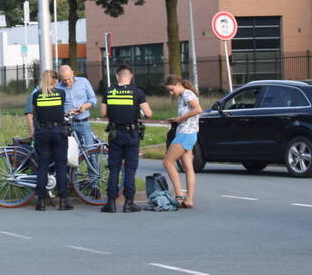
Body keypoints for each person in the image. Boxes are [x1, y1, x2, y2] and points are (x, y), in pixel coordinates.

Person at [99, 64, 152, 213]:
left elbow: (103, 113)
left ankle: (111, 203)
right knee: (130, 169)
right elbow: (148, 113)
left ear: (117, 76)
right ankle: (129, 203)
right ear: (131, 76)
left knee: (114, 169)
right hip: (132, 134)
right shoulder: (137, 92)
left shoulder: (108, 92)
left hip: (115, 134)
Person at [26, 69, 73, 211]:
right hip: (58, 132)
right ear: (54, 80)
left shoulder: (37, 95)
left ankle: (40, 201)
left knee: (42, 167)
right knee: (61, 165)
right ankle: (63, 201)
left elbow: (35, 113)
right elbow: (59, 110)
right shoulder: (61, 94)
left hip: (42, 133)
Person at [163, 75, 203, 209]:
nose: (171, 93)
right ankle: (189, 199)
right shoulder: (183, 96)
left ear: (178, 84)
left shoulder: (187, 94)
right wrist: (177, 119)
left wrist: (180, 119)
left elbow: (198, 109)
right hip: (189, 133)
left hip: (185, 133)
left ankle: (179, 194)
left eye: (171, 89)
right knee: (187, 167)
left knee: (168, 162)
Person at [58, 64, 98, 149]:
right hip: (66, 125)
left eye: (69, 79)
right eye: (64, 80)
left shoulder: (84, 81)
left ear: (72, 73)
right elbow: (56, 107)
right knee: (70, 153)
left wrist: (84, 106)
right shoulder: (57, 87)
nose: (68, 82)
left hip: (82, 122)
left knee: (90, 149)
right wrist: (65, 113)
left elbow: (93, 99)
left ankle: (93, 163)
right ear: (60, 78)